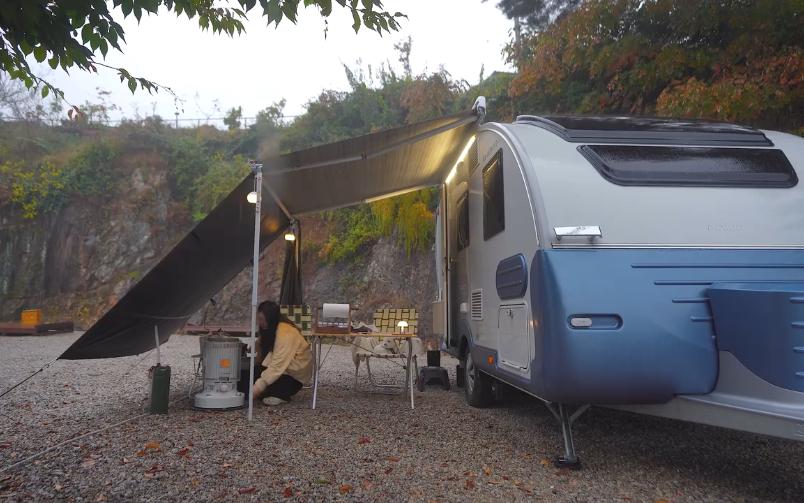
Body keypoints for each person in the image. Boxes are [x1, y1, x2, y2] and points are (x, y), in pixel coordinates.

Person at [250, 300, 313, 405]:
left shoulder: (286, 333)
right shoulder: (271, 328)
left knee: (264, 391)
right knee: (248, 378)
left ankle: (281, 395)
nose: (260, 322)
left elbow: (277, 365)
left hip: (293, 377)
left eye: (261, 319)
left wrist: (257, 387)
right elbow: (260, 348)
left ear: (270, 318)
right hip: (281, 370)